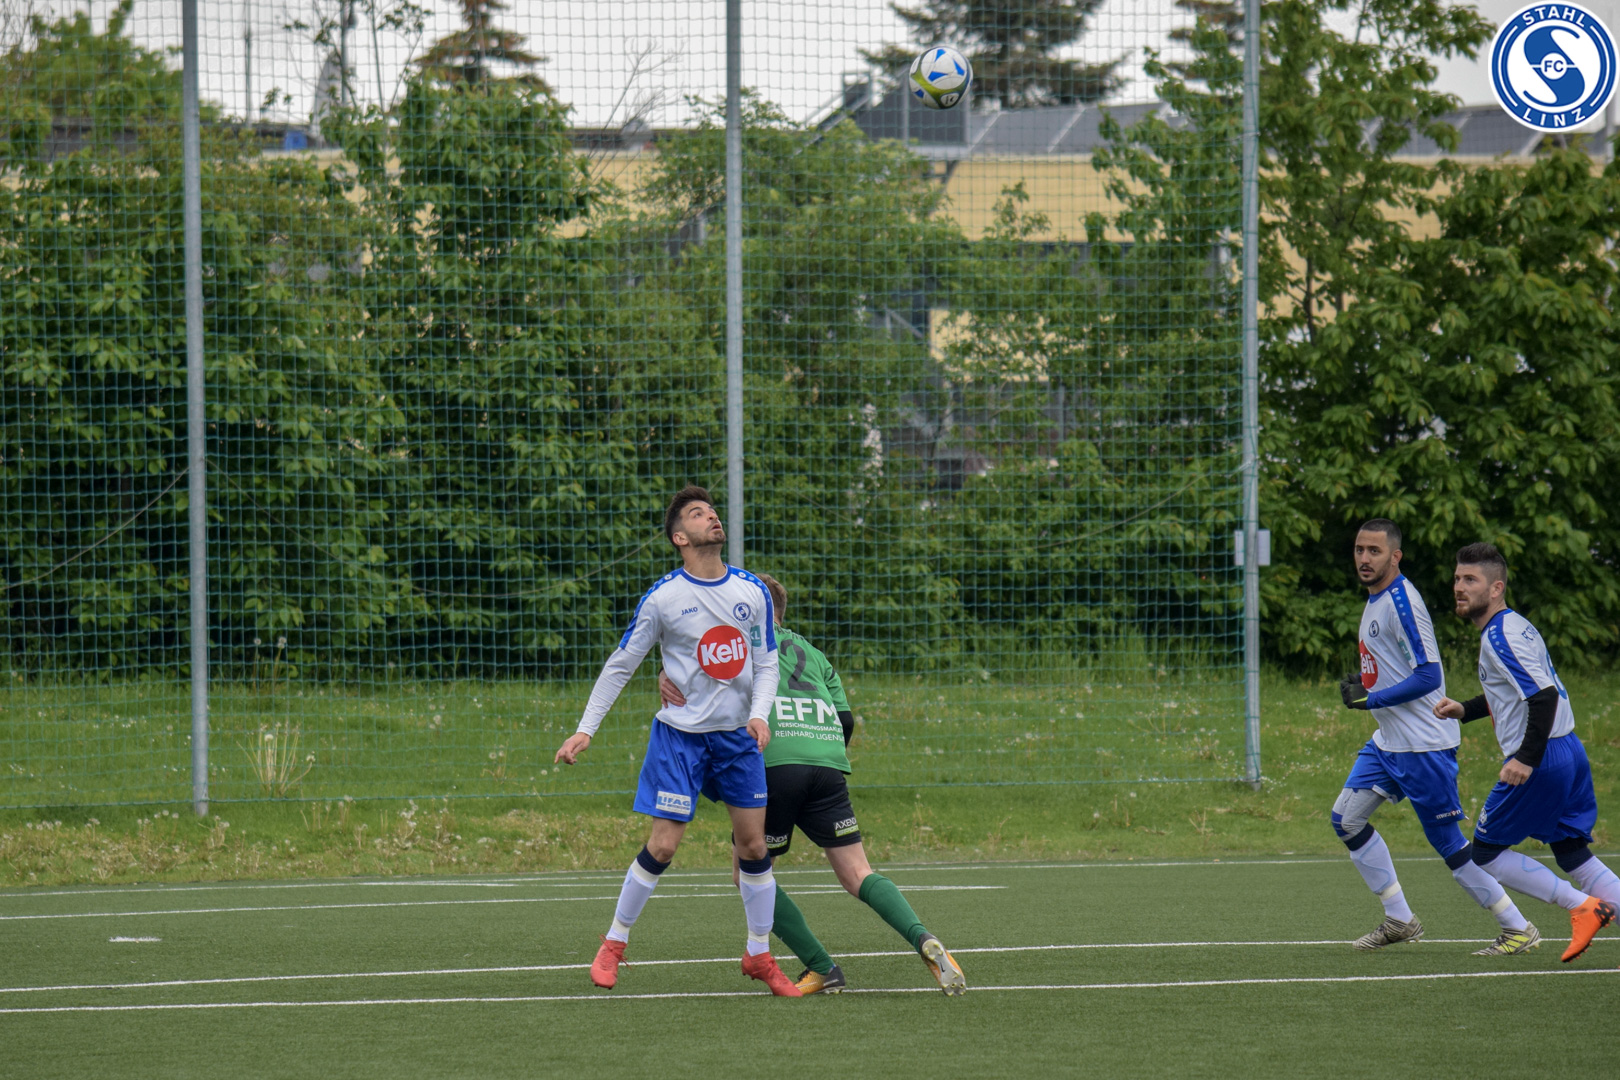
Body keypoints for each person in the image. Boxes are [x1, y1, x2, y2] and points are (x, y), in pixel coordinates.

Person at [658, 571, 965, 996]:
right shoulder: (813, 653)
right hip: (826, 763)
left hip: (772, 762)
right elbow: (846, 720)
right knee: (858, 872)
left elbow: (701, 691)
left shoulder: (738, 645)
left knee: (747, 872)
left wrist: (666, 673)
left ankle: (822, 967)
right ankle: (923, 938)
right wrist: (819, 757)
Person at [552, 485, 800, 996]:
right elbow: (622, 664)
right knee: (663, 846)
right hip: (680, 739)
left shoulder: (751, 591)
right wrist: (585, 729)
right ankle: (614, 942)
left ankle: (758, 954)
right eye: (697, 513)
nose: (711, 517)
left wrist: (758, 715)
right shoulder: (663, 598)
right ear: (679, 537)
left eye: (712, 510)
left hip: (736, 739)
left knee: (754, 846)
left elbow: (767, 662)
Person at [1332, 519, 1537, 955]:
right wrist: (1369, 689)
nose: (1364, 558)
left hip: (1423, 745)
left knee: (1448, 843)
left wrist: (1372, 700)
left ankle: (1518, 927)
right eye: (1359, 550)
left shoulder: (1402, 602)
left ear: (1395, 556)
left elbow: (1428, 676)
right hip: (1389, 742)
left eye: (1374, 551)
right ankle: (1400, 920)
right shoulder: (1376, 599)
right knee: (1346, 820)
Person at [1432, 542, 1615, 962]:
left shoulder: (1500, 636)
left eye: (1471, 579)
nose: (1459, 587)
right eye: (1457, 578)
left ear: (1496, 588)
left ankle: (1583, 908)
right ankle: (1591, 904)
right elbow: (1513, 692)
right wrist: (1466, 709)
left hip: (1544, 756)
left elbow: (1543, 696)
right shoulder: (1514, 625)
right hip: (1567, 749)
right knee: (1572, 852)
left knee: (1485, 852)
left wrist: (1525, 759)